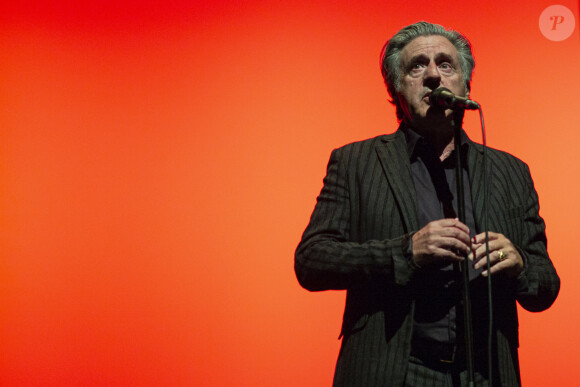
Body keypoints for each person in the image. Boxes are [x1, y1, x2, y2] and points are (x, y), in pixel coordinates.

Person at [295, 21, 560, 386]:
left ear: (466, 84)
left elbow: (545, 285)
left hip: (485, 373)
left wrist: (514, 261)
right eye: (417, 65)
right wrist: (405, 253)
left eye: (446, 64)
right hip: (396, 372)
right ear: (396, 89)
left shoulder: (510, 170)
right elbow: (311, 261)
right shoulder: (356, 162)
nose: (434, 75)